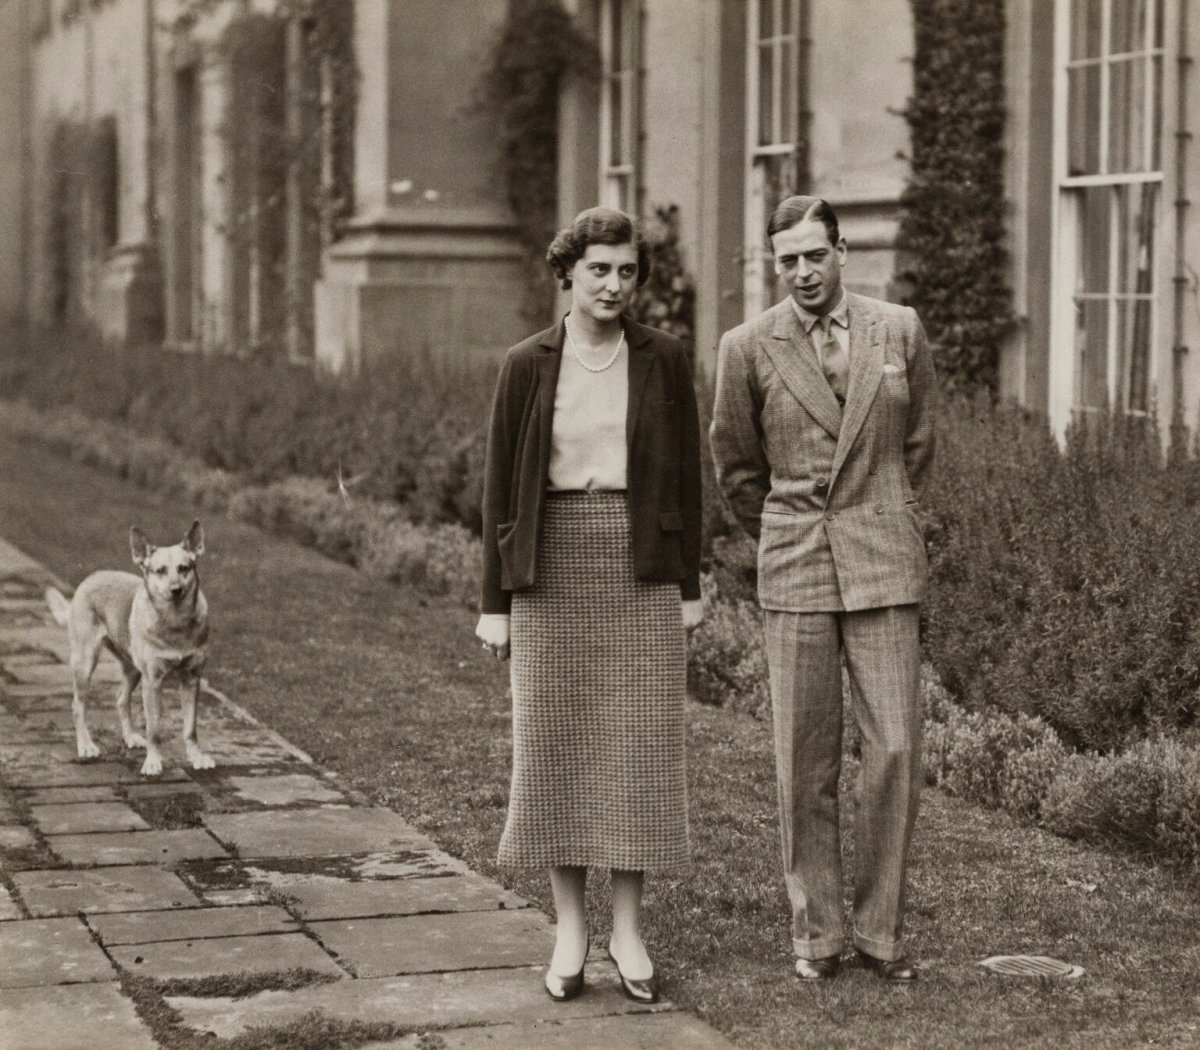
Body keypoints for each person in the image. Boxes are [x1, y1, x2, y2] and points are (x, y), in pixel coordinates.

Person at [475, 206, 703, 1004]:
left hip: (639, 563)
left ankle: (629, 931)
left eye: (627, 271)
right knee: (557, 742)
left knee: (637, 747)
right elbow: (501, 489)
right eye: (599, 269)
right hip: (551, 565)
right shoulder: (526, 363)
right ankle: (570, 929)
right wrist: (494, 603)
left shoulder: (665, 360)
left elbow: (688, 481)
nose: (613, 285)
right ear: (567, 273)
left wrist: (691, 588)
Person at [709, 195, 936, 981]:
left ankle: (880, 934)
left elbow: (918, 445)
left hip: (883, 562)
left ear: (843, 252)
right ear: (776, 266)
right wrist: (787, 528)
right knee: (803, 761)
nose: (802, 272)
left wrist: (882, 515)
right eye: (787, 260)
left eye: (815, 255)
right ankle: (816, 935)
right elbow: (737, 468)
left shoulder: (898, 329)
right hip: (798, 564)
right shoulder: (746, 347)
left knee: (895, 751)